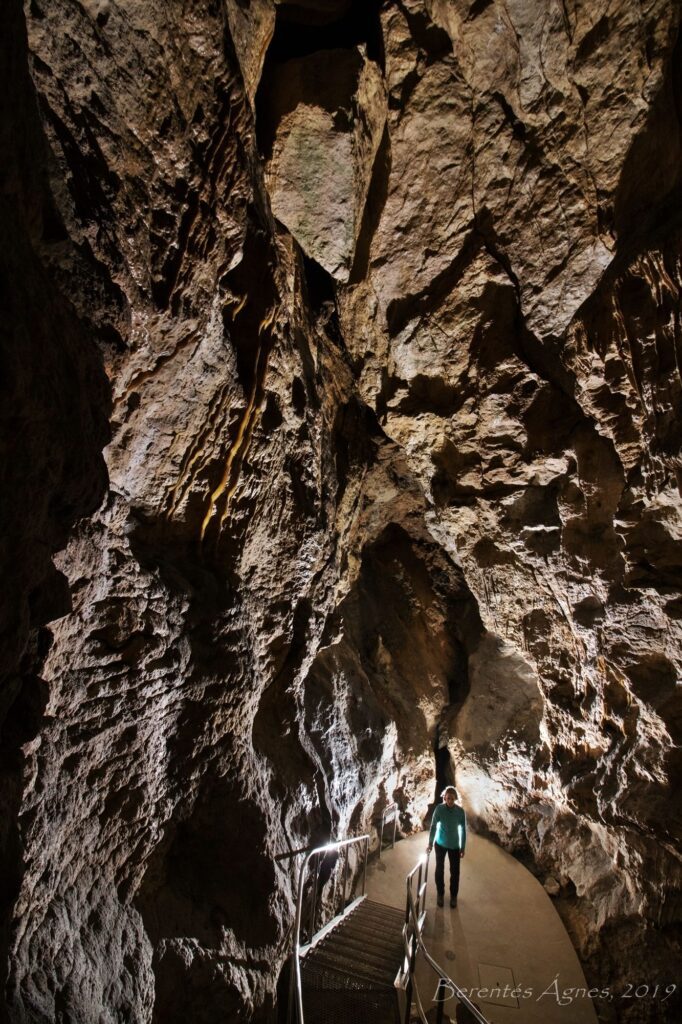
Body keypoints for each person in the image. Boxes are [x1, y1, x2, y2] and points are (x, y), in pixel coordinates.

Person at [427, 785, 466, 908]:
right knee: (439, 870)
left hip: (454, 846)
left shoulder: (460, 812)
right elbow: (433, 826)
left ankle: (453, 896)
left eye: (452, 799)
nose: (450, 801)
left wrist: (462, 847)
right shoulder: (439, 809)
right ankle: (440, 893)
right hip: (440, 844)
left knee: (455, 872)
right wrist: (430, 843)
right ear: (444, 798)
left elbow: (463, 830)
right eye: (448, 798)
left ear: (455, 799)